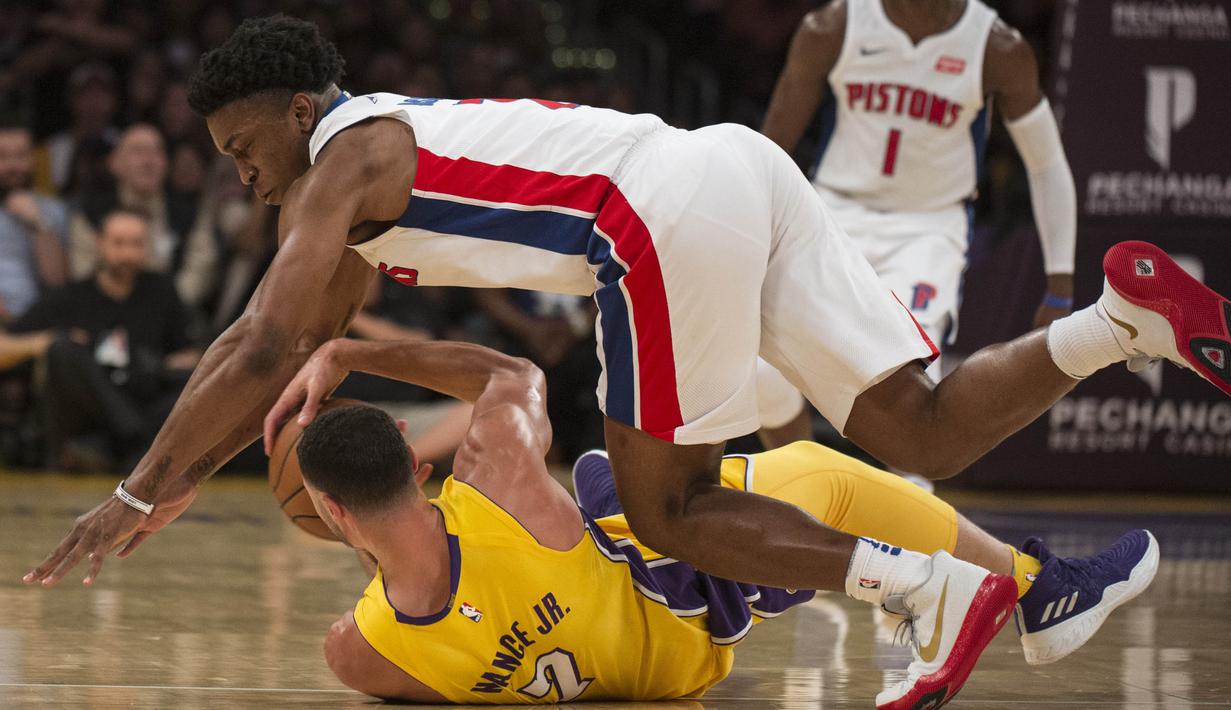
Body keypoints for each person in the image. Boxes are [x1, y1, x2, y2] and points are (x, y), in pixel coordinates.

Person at [23, 16, 1226, 703]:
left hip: (647, 213)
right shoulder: (367, 183)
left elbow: (258, 341)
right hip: (731, 168)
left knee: (669, 506)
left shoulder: (343, 155)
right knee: (919, 424)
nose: (240, 172)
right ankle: (1121, 322)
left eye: (244, 145)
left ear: (299, 111)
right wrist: (195, 460)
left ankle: (925, 588)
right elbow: (274, 341)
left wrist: (141, 488)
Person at [283, 335, 1154, 706]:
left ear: (327, 510)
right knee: (816, 473)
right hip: (676, 597)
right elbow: (512, 375)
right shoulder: (495, 475)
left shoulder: (359, 652)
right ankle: (1021, 587)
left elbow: (427, 616)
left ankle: (1004, 592)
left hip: (673, 674)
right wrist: (353, 351)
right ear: (416, 460)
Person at [755, 0, 1079, 446]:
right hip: (831, 213)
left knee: (915, 393)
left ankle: (913, 485)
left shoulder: (996, 47)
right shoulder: (833, 26)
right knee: (764, 375)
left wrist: (1060, 287)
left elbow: (1046, 164)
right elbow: (770, 152)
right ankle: (803, 472)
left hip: (928, 226)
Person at [3, 209, 200, 469]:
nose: (128, 254)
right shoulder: (72, 297)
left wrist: (161, 366)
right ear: (100, 244)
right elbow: (6, 344)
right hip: (92, 408)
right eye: (119, 243)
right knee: (62, 349)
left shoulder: (161, 291)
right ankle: (132, 441)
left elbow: (190, 353)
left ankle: (114, 449)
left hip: (143, 397)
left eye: (137, 244)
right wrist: (47, 340)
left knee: (197, 382)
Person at [68, 123, 218, 310]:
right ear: (113, 163)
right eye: (137, 151)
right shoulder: (91, 212)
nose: (149, 161)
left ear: (167, 163)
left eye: (157, 152)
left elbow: (202, 268)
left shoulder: (190, 212)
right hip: (105, 314)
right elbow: (84, 273)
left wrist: (164, 308)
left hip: (173, 315)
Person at [0, 119, 69, 325]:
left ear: (33, 159)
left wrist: (37, 221)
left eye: (21, 156)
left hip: (35, 320)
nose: (13, 166)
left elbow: (56, 281)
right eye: (3, 156)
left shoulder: (54, 210)